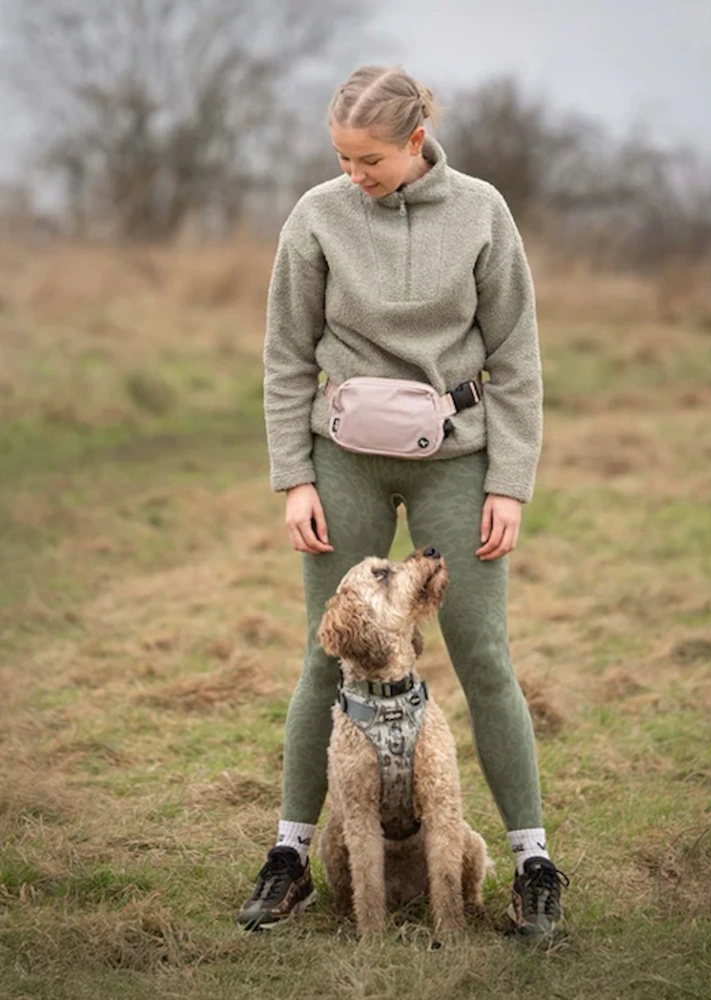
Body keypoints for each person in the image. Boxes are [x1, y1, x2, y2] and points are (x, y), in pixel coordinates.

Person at [237, 65, 569, 940]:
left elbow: (518, 360)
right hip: (339, 456)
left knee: (485, 655)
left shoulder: (483, 212)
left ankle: (534, 863)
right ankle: (288, 858)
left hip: (456, 461)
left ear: (416, 140)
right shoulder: (315, 216)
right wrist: (293, 475)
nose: (354, 174)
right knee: (325, 659)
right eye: (342, 157)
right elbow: (285, 356)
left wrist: (509, 482)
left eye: (370, 158)